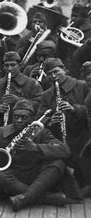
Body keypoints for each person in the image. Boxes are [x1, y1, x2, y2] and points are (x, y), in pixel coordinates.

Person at [0, 100, 71, 211]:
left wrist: (37, 148)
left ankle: (24, 198)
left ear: (31, 119)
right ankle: (47, 198)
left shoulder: (42, 132)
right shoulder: (1, 132)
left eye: (24, 117)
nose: (19, 120)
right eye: (16, 117)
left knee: (58, 164)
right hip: (13, 175)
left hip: (35, 175)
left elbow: (65, 150)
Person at [37, 58, 91, 188]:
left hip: (82, 134)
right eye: (49, 74)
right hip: (58, 136)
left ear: (64, 69)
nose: (54, 76)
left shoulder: (82, 85)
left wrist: (75, 109)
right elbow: (39, 117)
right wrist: (50, 121)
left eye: (56, 71)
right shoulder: (47, 95)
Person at [0, 51, 43, 128]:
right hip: (2, 127)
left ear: (19, 66)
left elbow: (40, 105)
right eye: (6, 65)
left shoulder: (32, 83)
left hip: (26, 126)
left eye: (13, 65)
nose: (9, 68)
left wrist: (19, 101)